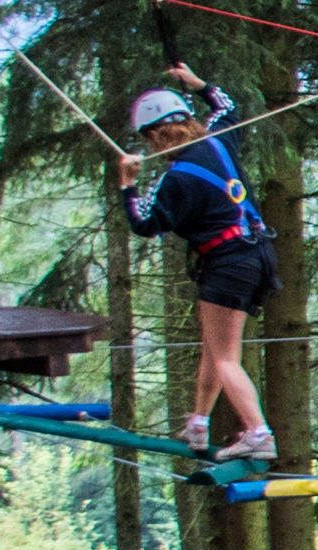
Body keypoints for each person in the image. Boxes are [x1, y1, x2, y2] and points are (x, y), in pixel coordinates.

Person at [116, 65, 278, 461]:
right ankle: (199, 425)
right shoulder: (221, 139)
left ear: (153, 136)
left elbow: (145, 224)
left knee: (224, 357)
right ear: (187, 121)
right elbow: (227, 106)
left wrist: (128, 184)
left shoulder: (178, 180)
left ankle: (259, 433)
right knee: (214, 348)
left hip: (228, 263)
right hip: (256, 254)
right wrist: (198, 83)